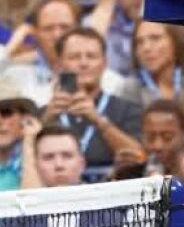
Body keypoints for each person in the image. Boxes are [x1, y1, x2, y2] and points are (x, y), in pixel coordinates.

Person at [44, 27, 143, 168]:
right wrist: (46, 122)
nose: (84, 63)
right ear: (59, 65)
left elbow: (140, 157)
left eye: (91, 56)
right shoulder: (44, 114)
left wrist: (98, 120)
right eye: (74, 57)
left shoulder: (128, 110)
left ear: (104, 63)